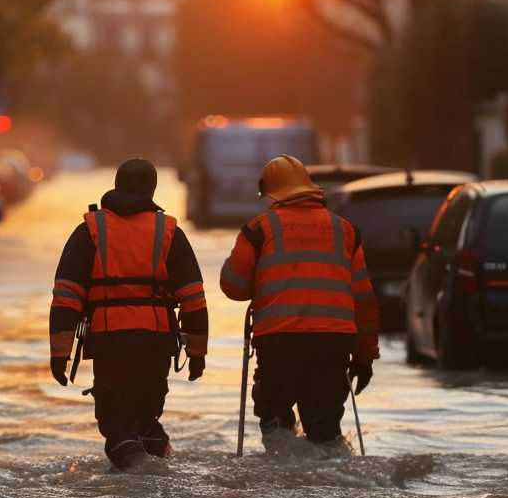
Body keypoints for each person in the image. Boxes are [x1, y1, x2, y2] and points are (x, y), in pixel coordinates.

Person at [49, 159, 209, 469]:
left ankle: (135, 481)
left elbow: (65, 298)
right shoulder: (169, 232)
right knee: (146, 416)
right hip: (156, 342)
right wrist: (198, 353)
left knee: (118, 424)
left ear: (117, 184)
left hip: (111, 342)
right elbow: (194, 299)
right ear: (152, 189)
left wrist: (59, 354)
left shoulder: (89, 231)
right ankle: (154, 473)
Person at [218, 154, 379, 453]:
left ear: (273, 193)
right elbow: (364, 300)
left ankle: (286, 480)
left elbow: (233, 285)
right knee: (324, 429)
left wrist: (265, 283)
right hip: (333, 344)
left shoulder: (258, 230)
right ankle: (329, 485)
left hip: (278, 342)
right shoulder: (345, 231)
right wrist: (365, 356)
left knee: (276, 421)